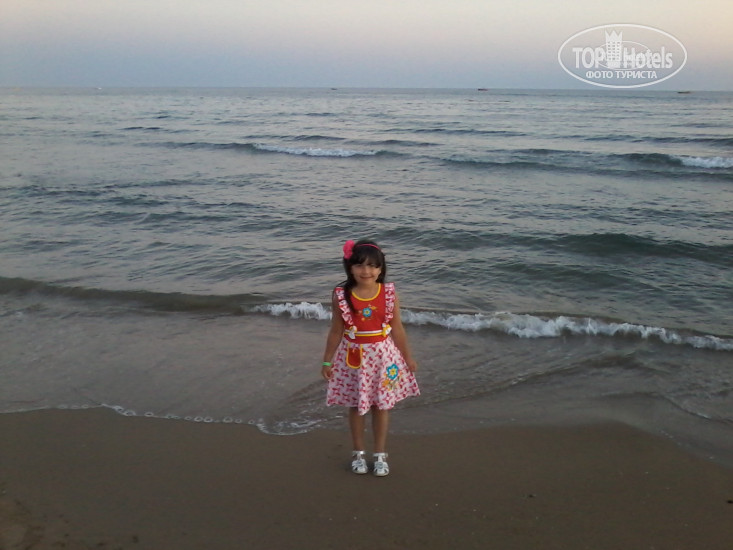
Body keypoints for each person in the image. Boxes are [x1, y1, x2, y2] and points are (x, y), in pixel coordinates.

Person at [321, 239, 420, 477]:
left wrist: (408, 357)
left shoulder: (389, 294)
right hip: (353, 357)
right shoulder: (341, 296)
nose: (366, 271)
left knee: (381, 406)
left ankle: (380, 454)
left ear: (381, 268)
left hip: (383, 357)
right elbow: (336, 330)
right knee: (356, 406)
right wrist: (327, 360)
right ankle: (358, 453)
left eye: (373, 266)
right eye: (360, 265)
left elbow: (397, 328)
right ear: (350, 267)